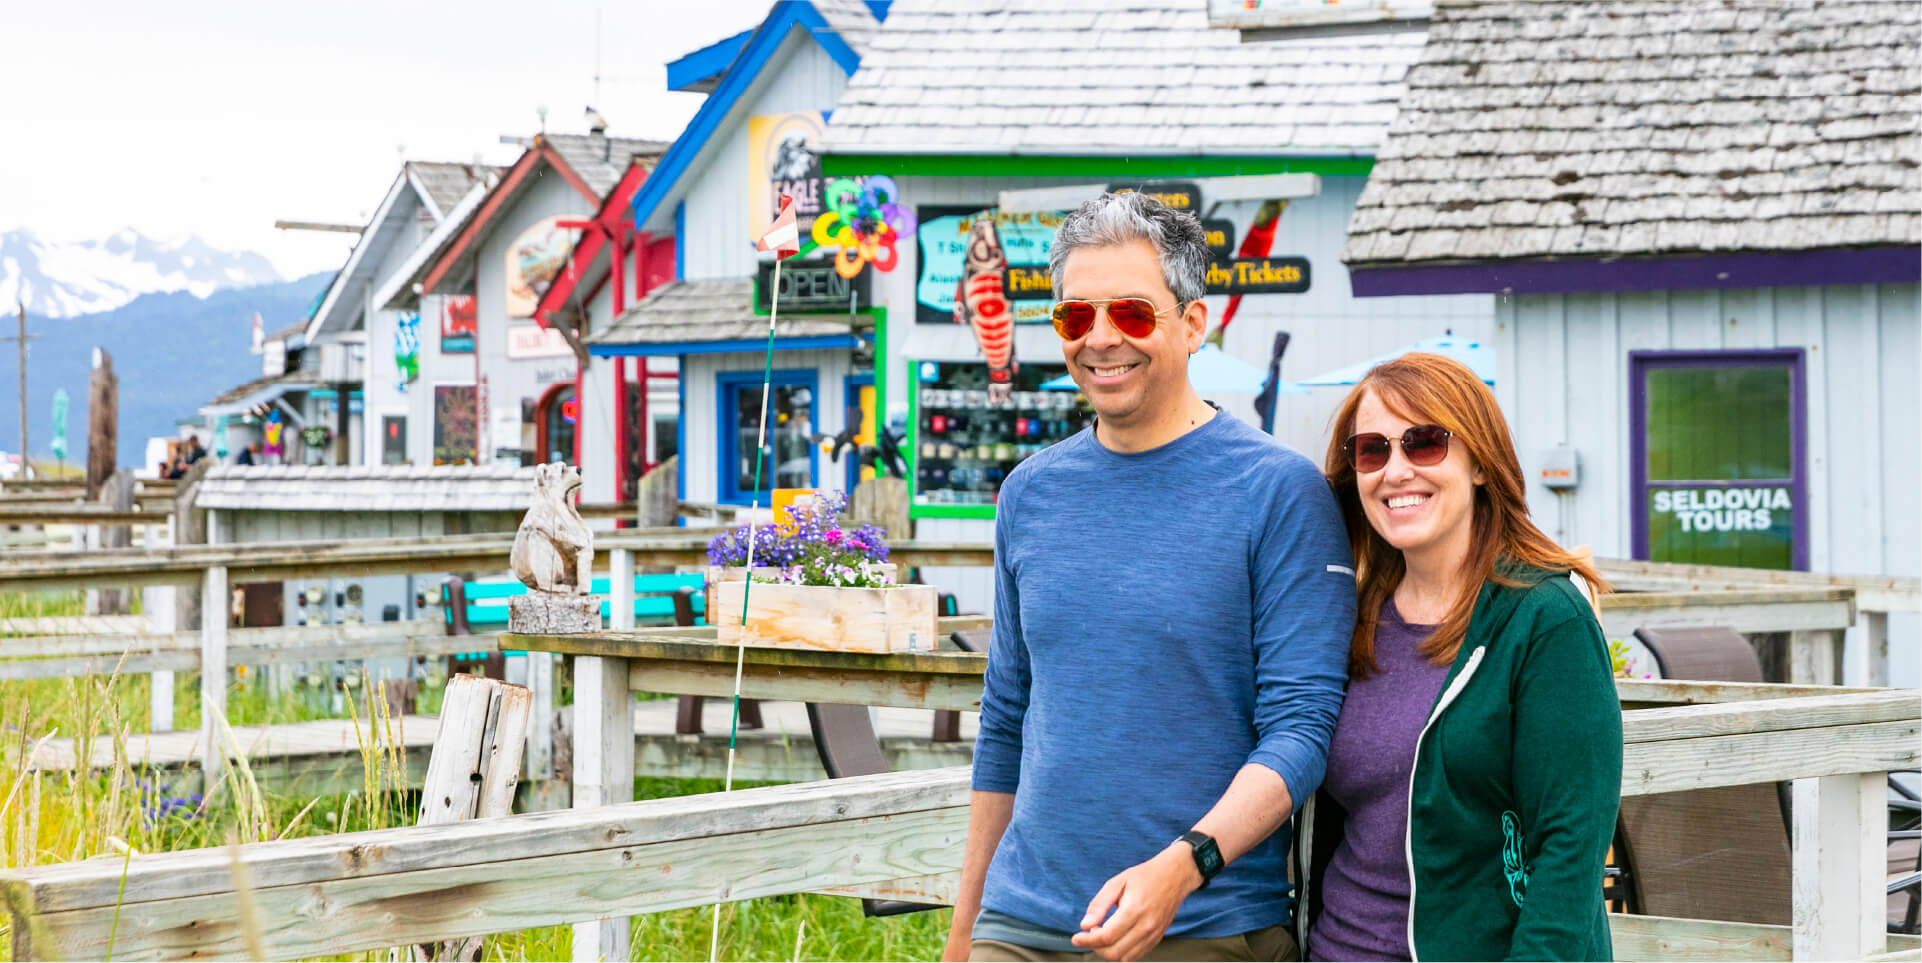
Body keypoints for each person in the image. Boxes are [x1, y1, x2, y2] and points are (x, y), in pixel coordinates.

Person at [946, 192, 1355, 963]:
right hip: (1024, 920)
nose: (1101, 339)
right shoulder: (1029, 494)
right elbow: (1005, 719)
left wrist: (1183, 866)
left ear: (1192, 324)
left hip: (1204, 922)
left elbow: (1301, 731)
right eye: (1075, 317)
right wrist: (965, 930)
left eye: (1132, 314)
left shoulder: (1279, 491)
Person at [1301, 353, 1621, 961]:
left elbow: (1569, 849)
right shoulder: (1352, 614)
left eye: (1424, 443)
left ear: (1478, 460)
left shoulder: (1546, 617)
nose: (1395, 470)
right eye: (1372, 450)